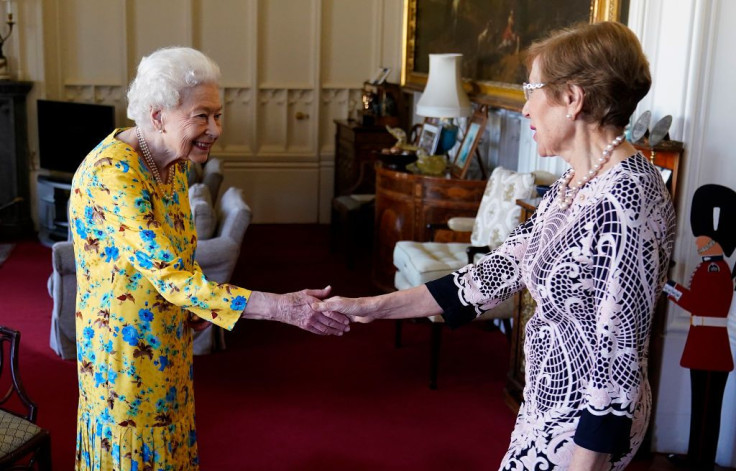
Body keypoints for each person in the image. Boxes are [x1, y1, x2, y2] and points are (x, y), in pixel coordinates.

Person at [315, 21, 676, 470]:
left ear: (572, 98)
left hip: (582, 429)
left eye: (531, 90)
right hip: (547, 407)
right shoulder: (577, 180)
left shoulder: (626, 196)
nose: (524, 108)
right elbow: (498, 270)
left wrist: (587, 464)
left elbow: (617, 353)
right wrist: (373, 307)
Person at [68, 47, 350, 470]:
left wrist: (200, 307)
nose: (215, 129)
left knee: (172, 442)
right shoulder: (113, 175)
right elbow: (171, 273)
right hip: (124, 354)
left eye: (218, 115)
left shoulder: (173, 163)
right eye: (202, 115)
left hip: (169, 338)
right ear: (158, 114)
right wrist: (280, 307)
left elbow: (182, 255)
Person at [663, 184, 736, 469]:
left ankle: (701, 462)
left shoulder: (716, 269)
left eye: (702, 238)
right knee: (701, 408)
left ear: (714, 242)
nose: (697, 242)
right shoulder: (711, 267)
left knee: (706, 409)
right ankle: (696, 457)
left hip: (710, 349)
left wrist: (668, 287)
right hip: (705, 345)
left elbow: (698, 305)